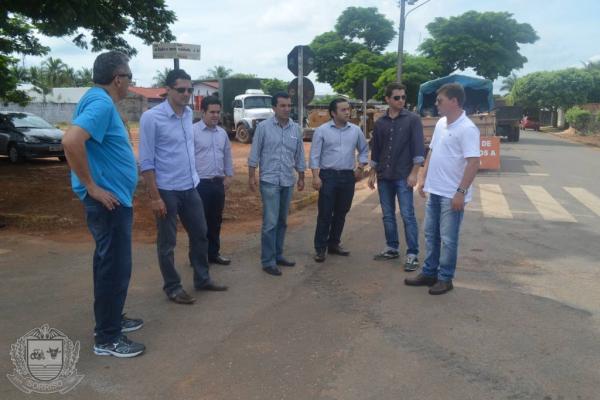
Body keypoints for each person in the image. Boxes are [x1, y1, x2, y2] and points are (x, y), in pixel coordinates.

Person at [62, 51, 145, 357]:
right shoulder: (100, 103)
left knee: (109, 264)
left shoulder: (96, 100)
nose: (130, 83)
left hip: (113, 201)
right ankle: (107, 338)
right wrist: (92, 187)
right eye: (129, 77)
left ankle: (112, 320)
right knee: (114, 267)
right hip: (109, 204)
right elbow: (71, 141)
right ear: (117, 78)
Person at [139, 69, 227, 305]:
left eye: (190, 89)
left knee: (200, 234)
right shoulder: (151, 118)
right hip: (166, 189)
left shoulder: (188, 114)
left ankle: (202, 278)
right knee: (167, 242)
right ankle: (173, 287)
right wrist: (154, 196)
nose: (186, 94)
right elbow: (146, 161)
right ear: (168, 90)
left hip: (190, 186)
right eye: (181, 90)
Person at [405, 83, 480, 295]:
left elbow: (473, 162)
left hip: (451, 195)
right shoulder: (440, 123)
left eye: (440, 101)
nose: (436, 104)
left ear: (454, 101)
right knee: (430, 234)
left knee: (448, 239)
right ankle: (429, 273)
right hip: (435, 190)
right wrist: (424, 178)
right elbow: (432, 151)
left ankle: (445, 278)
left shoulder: (467, 129)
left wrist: (461, 193)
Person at [368, 82, 425, 271]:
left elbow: (418, 148)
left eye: (403, 97)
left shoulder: (412, 120)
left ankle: (412, 253)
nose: (401, 100)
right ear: (387, 99)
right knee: (387, 215)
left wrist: (414, 173)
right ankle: (392, 247)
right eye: (397, 97)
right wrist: (372, 173)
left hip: (403, 175)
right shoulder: (380, 123)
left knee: (407, 215)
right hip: (384, 175)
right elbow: (376, 150)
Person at [248, 92, 306, 276]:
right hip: (270, 181)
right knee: (270, 222)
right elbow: (255, 152)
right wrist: (251, 176)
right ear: (274, 108)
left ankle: (278, 255)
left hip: (288, 180)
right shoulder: (263, 128)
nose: (287, 109)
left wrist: (302, 176)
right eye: (282, 106)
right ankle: (268, 261)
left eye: (289, 105)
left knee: (282, 221)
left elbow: (299, 154)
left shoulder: (296, 129)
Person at [310, 98, 369, 262]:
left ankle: (334, 244)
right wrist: (315, 176)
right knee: (325, 213)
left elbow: (364, 150)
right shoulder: (322, 131)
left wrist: (360, 167)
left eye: (348, 109)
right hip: (328, 176)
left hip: (348, 177)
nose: (347, 112)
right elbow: (314, 155)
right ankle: (320, 248)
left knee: (342, 212)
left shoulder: (356, 131)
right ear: (333, 113)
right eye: (343, 110)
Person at [193, 96, 233, 265]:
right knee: (198, 223)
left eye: (218, 112)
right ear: (203, 112)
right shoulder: (192, 132)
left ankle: (213, 254)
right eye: (212, 112)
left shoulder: (222, 133)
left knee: (215, 221)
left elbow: (227, 156)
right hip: (199, 185)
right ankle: (197, 257)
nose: (216, 115)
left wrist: (229, 176)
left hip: (218, 184)